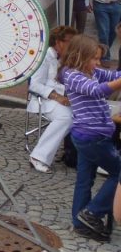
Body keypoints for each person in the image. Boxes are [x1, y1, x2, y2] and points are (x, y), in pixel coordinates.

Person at [59, 34, 121, 242]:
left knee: (84, 180)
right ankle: (92, 213)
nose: (98, 63)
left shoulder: (91, 71)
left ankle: (80, 224)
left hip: (89, 137)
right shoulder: (72, 75)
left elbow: (112, 75)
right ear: (80, 56)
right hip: (92, 138)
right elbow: (97, 91)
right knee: (118, 172)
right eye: (94, 58)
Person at [28, 25, 78, 173]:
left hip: (64, 98)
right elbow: (34, 85)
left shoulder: (67, 58)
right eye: (70, 42)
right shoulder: (44, 57)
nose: (73, 46)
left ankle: (74, 155)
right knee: (66, 117)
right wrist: (56, 96)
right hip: (46, 99)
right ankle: (38, 156)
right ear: (58, 42)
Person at [86, 0, 121, 65]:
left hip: (116, 4)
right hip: (100, 5)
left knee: (113, 31)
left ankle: (102, 51)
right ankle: (105, 58)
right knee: (104, 32)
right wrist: (87, 2)